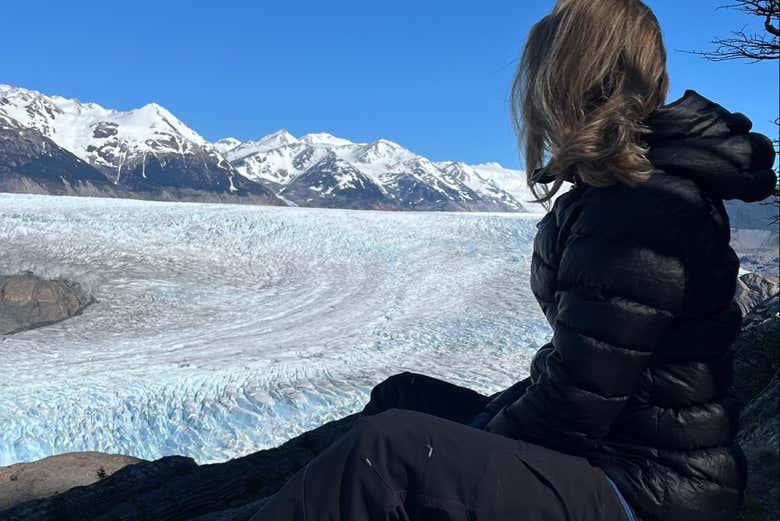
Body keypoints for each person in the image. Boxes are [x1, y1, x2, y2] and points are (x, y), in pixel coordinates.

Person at [251, 0, 777, 520]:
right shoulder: (621, 191)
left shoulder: (641, 207)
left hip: (648, 490)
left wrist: (477, 438)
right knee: (404, 398)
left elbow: (579, 402)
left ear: (570, 76)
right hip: (616, 460)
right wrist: (474, 433)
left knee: (386, 455)